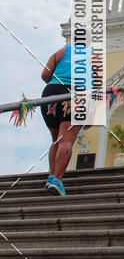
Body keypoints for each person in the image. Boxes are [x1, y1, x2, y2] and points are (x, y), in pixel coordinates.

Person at [40, 44, 87, 196]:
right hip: (74, 93)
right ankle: (57, 181)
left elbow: (45, 75)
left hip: (51, 92)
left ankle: (51, 176)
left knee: (56, 139)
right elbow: (96, 86)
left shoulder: (61, 52)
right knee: (66, 140)